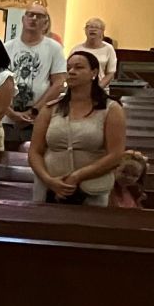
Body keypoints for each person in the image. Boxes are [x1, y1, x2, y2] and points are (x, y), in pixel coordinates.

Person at [29, 49, 126, 206]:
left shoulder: (111, 109)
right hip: (50, 187)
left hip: (91, 189)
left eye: (79, 67)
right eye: (68, 68)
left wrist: (77, 176)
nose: (71, 72)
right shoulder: (51, 108)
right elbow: (35, 151)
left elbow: (115, 155)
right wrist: (48, 180)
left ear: (94, 72)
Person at [6, 6, 67, 142]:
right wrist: (10, 112)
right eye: (30, 14)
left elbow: (58, 83)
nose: (33, 19)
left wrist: (34, 111)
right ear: (23, 19)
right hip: (8, 118)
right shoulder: (7, 47)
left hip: (38, 118)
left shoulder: (54, 48)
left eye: (39, 16)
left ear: (45, 23)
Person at [72, 17, 117, 88]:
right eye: (89, 26)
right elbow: (69, 70)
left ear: (102, 31)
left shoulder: (109, 48)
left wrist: (98, 88)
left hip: (101, 89)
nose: (92, 29)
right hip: (79, 88)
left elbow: (111, 72)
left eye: (96, 27)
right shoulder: (76, 49)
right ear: (85, 30)